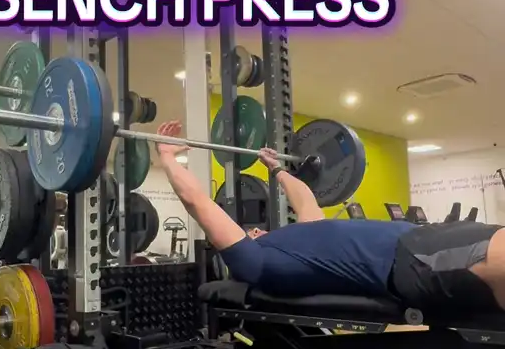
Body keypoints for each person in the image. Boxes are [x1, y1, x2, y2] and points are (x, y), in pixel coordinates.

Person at [156, 121, 505, 315]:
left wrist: (275, 168)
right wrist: (168, 158)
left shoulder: (301, 241)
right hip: (413, 260)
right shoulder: (258, 263)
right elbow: (197, 200)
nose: (256, 228)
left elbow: (305, 199)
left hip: (424, 242)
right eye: (250, 232)